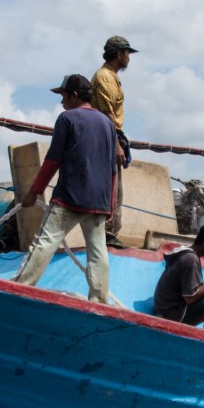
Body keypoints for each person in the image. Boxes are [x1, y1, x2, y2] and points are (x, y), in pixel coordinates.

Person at [13, 74, 117, 304]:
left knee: (45, 241)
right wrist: (109, 206)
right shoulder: (108, 124)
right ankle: (99, 301)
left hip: (70, 197)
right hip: (99, 201)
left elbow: (52, 160)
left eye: (63, 96)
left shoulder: (66, 119)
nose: (61, 102)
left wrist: (34, 191)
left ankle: (20, 287)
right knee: (98, 252)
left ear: (74, 96)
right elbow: (113, 170)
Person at [90, 35, 137, 248]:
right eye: (127, 53)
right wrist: (116, 143)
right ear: (119, 54)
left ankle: (110, 234)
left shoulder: (111, 77)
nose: (129, 58)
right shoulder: (105, 78)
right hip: (107, 137)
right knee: (111, 189)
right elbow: (107, 114)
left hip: (110, 135)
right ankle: (107, 234)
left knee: (116, 190)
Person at [153, 223, 204, 331]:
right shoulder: (190, 259)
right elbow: (190, 298)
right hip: (171, 315)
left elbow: (196, 289)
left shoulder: (187, 253)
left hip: (164, 309)